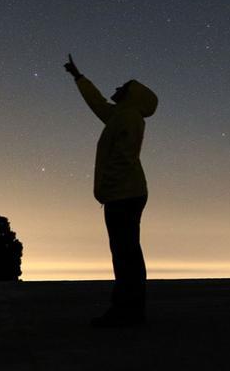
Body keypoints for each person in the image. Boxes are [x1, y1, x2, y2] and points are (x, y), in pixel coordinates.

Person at [64, 54, 158, 327]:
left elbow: (123, 158)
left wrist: (107, 191)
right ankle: (129, 310)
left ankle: (127, 312)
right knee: (126, 253)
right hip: (126, 194)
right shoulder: (122, 115)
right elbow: (98, 104)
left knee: (126, 255)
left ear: (131, 96)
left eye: (122, 87)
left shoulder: (128, 117)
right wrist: (79, 77)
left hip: (124, 195)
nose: (116, 89)